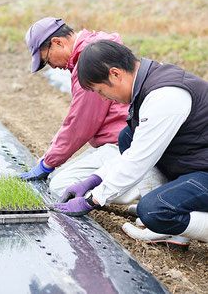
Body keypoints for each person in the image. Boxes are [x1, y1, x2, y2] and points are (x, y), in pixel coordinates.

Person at [54, 39, 208, 246]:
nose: (103, 99)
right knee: (127, 136)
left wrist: (93, 200)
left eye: (100, 91)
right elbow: (135, 150)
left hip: (202, 168)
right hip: (197, 160)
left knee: (154, 210)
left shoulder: (164, 96)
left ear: (115, 74)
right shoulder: (149, 80)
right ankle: (172, 218)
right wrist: (93, 180)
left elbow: (138, 161)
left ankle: (170, 219)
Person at [20, 17, 163, 204]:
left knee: (60, 185)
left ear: (57, 43)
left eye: (47, 60)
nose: (52, 66)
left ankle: (147, 187)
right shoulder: (94, 48)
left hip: (122, 144)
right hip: (120, 139)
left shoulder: (91, 62)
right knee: (58, 178)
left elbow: (81, 123)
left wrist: (48, 162)